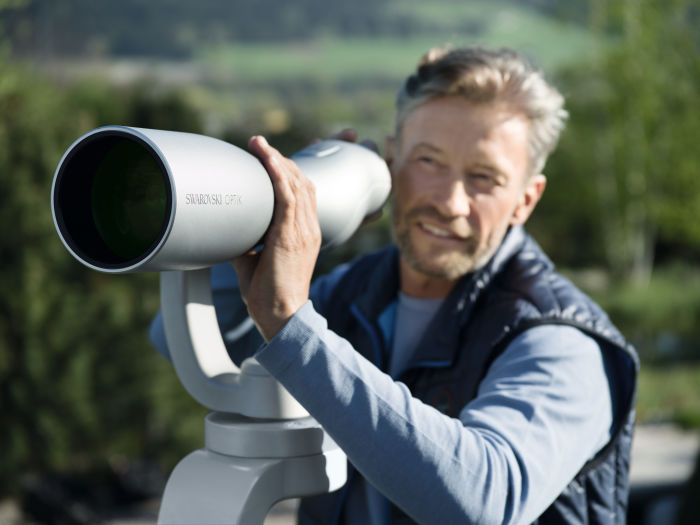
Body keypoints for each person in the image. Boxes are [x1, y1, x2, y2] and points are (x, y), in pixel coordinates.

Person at [150, 46, 638, 524]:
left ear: (525, 201)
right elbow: (176, 338)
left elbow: (486, 503)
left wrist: (292, 325)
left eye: (484, 177)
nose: (450, 202)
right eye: (428, 161)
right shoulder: (356, 292)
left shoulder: (560, 340)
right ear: (389, 162)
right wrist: (285, 204)